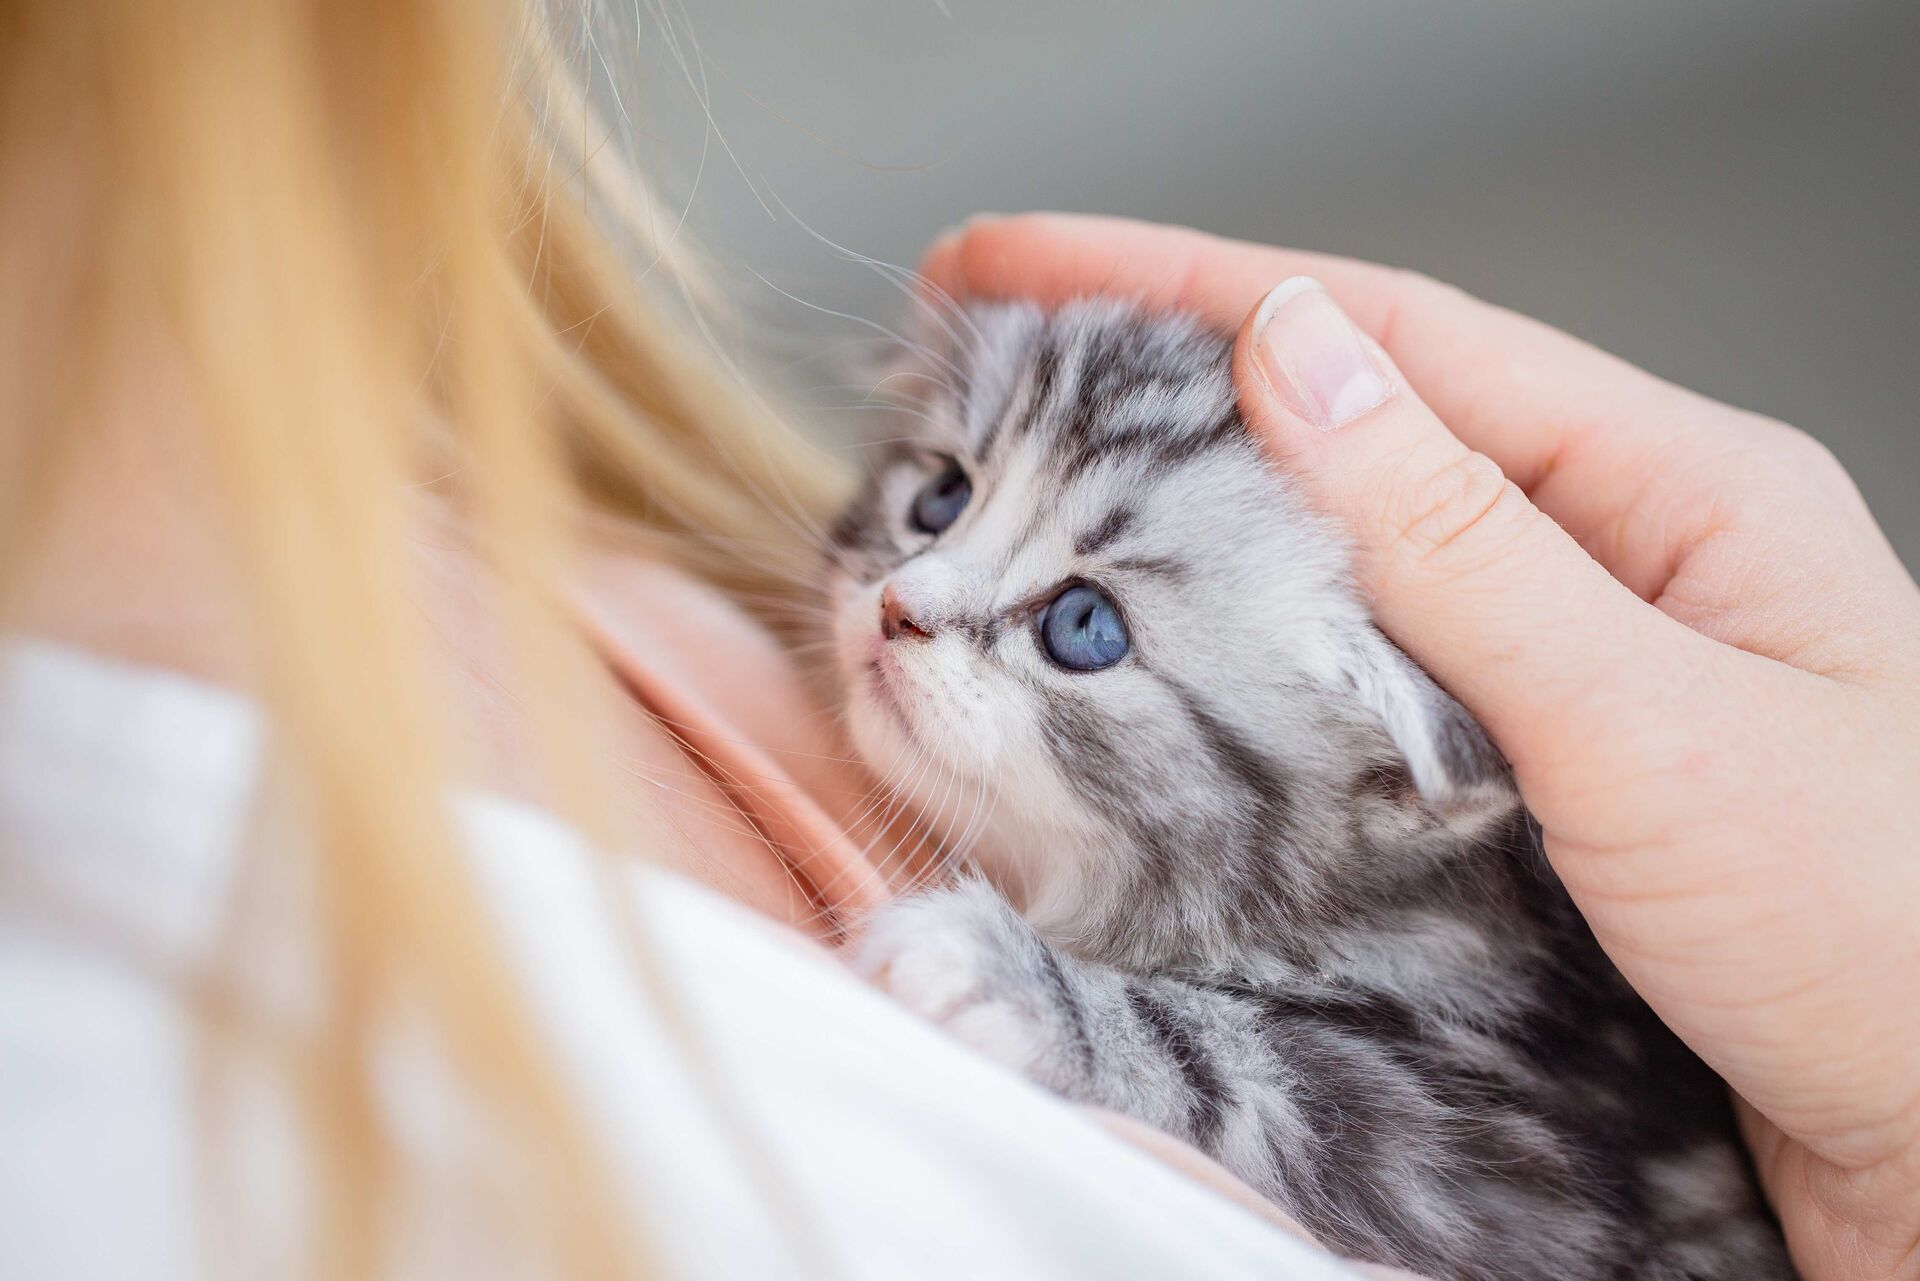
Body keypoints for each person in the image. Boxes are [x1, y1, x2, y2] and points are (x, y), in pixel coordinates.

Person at [0, 5, 1912, 1280]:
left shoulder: (1501, 973)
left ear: (1395, 791)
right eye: (935, 494)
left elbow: (1490, 1179)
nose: (910, 602)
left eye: (1078, 625)